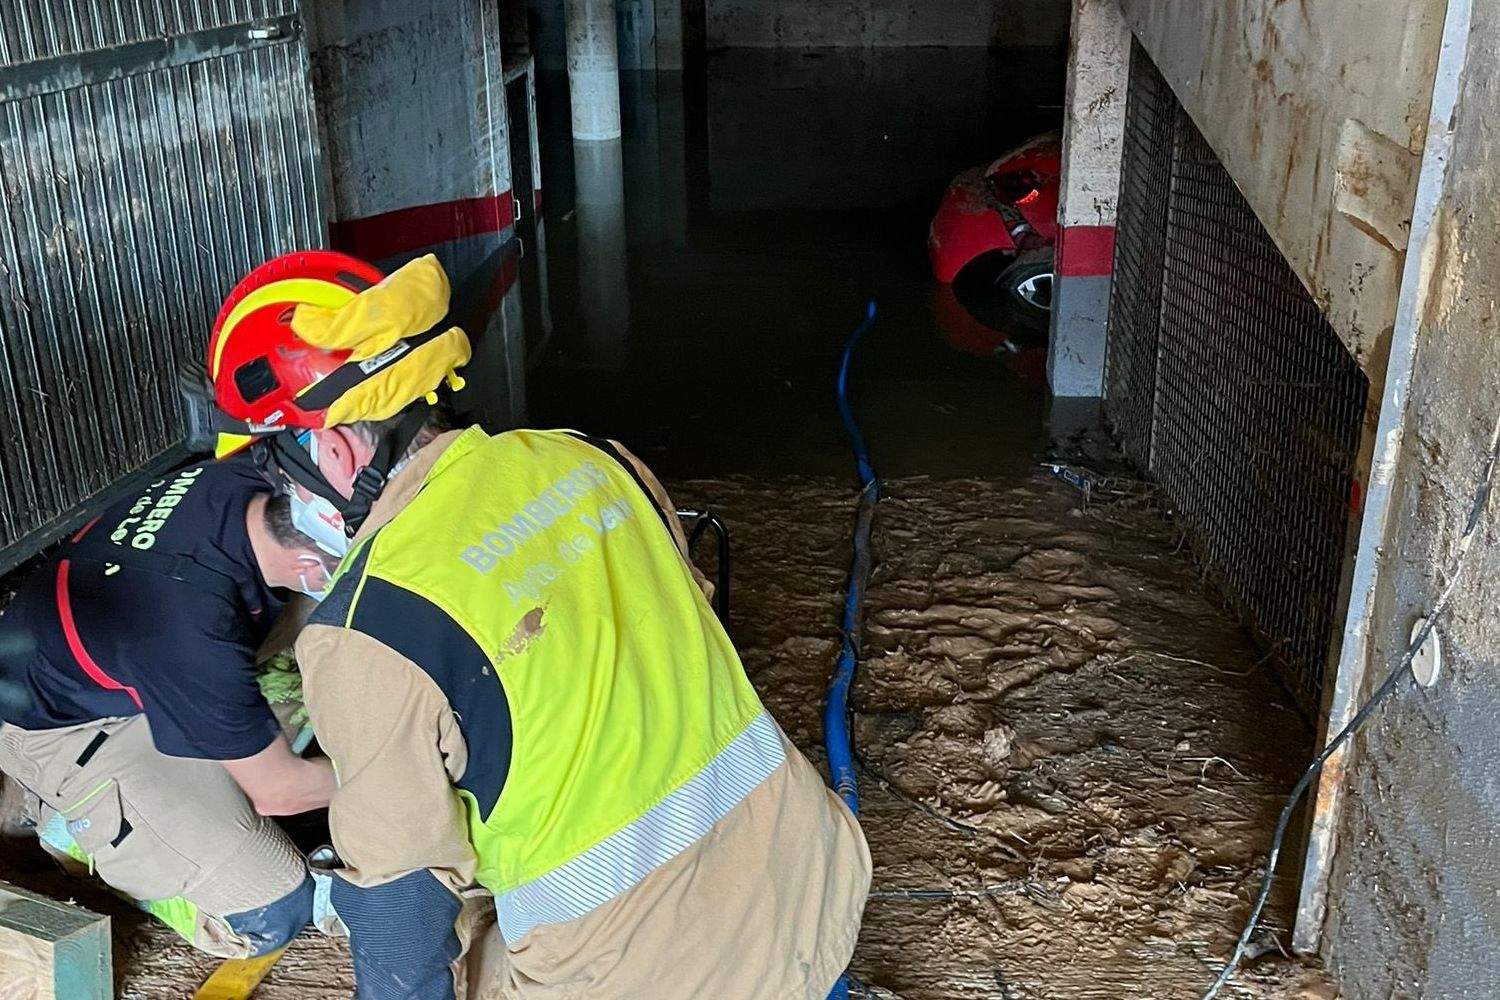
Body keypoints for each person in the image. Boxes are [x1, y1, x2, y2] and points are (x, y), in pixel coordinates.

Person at [205, 248, 871, 998]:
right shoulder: (595, 459)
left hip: (664, 980)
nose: (284, 501)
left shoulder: (365, 629)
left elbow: (403, 912)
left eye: (276, 474)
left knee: (431, 917)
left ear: (329, 448)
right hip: (816, 890)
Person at [0, 453, 338, 957]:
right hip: (69, 727)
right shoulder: (188, 633)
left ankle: (215, 747)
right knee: (273, 911)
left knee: (339, 624)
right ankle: (83, 832)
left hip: (127, 655)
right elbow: (281, 792)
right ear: (308, 564)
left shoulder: (254, 474)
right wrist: (409, 778)